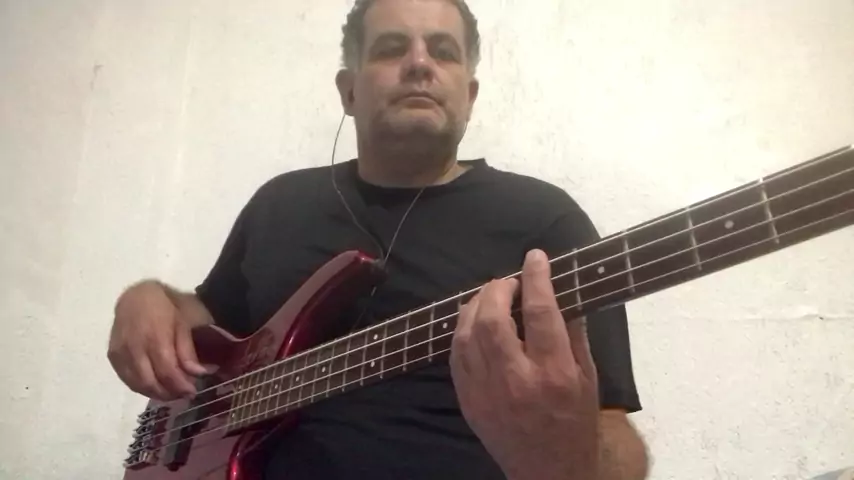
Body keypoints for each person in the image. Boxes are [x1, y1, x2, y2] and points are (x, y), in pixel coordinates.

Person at [108, 0, 650, 479]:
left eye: (443, 51)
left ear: (470, 95)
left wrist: (567, 465)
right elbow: (206, 323)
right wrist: (147, 299)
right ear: (348, 90)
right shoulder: (281, 203)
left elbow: (615, 435)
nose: (420, 63)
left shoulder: (544, 222)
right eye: (392, 48)